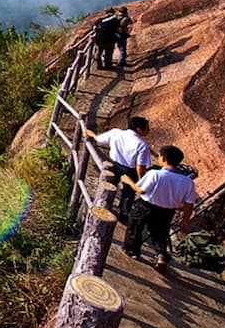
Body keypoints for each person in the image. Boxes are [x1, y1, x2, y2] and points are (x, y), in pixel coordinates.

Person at [119, 145, 199, 273]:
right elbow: (189, 204)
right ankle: (161, 255)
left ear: (164, 159)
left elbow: (141, 190)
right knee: (160, 234)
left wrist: (128, 181)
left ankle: (132, 250)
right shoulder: (188, 183)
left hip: (146, 206)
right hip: (167, 211)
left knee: (135, 227)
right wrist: (186, 220)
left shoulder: (155, 174)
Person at [85, 116, 151, 222]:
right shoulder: (142, 145)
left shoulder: (115, 133)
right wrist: (141, 180)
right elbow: (140, 166)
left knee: (110, 185)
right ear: (139, 129)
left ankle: (103, 205)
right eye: (147, 129)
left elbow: (99, 139)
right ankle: (123, 214)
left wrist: (91, 134)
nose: (149, 131)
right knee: (128, 193)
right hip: (130, 170)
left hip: (113, 165)